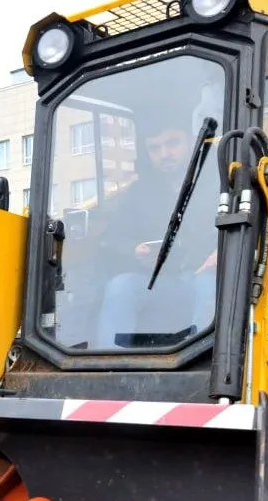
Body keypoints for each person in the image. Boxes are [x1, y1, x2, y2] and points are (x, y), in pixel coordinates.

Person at [91, 111, 219, 350]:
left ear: (191, 142)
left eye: (172, 143)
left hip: (214, 278)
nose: (164, 154)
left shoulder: (219, 182)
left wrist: (221, 253)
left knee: (207, 286)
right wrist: (134, 251)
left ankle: (202, 361)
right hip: (167, 282)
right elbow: (111, 239)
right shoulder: (139, 193)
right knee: (121, 287)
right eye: (154, 148)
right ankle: (107, 362)